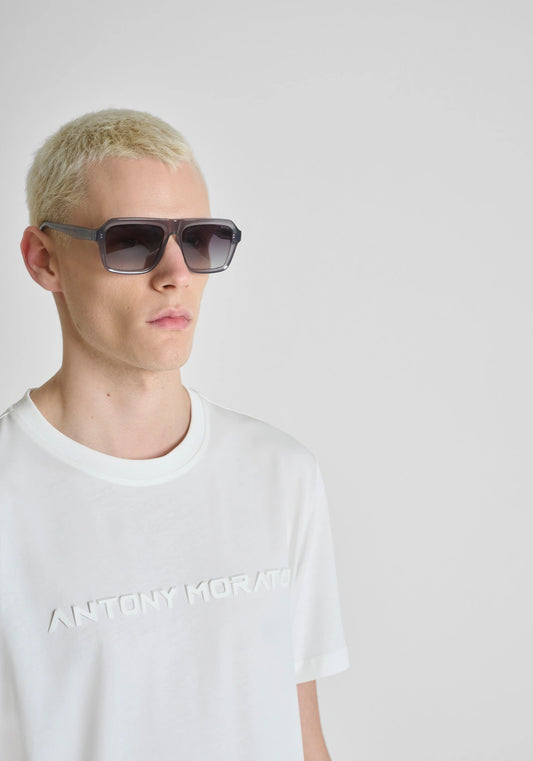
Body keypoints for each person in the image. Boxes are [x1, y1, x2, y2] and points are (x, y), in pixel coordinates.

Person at [0, 109, 349, 761]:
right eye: (131, 241)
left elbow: (302, 738)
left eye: (199, 241)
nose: (176, 274)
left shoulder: (279, 475)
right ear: (44, 260)